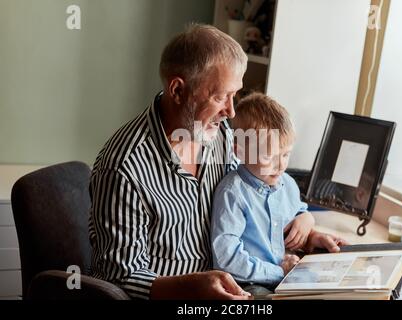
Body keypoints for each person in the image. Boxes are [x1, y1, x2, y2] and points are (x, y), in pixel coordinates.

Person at [88, 23, 348, 300]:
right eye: (220, 96)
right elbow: (118, 279)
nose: (231, 110)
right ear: (177, 90)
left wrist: (304, 229)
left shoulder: (220, 135)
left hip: (235, 285)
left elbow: (254, 201)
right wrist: (191, 288)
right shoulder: (123, 169)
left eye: (234, 95)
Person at [211, 93, 332, 296]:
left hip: (286, 273)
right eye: (269, 156)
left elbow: (293, 222)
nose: (281, 165)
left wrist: (309, 231)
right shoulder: (232, 193)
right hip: (248, 283)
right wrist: (279, 271)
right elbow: (227, 259)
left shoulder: (287, 184)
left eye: (286, 154)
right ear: (239, 151)